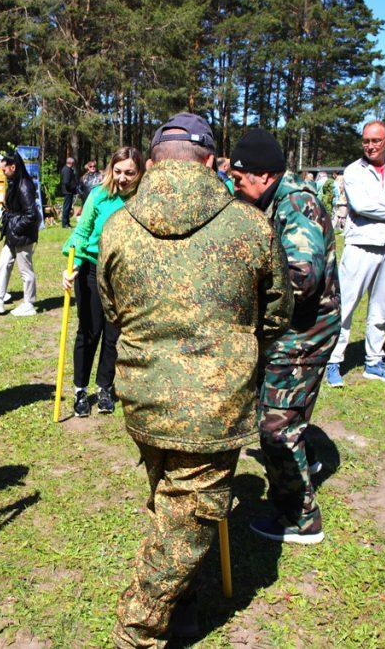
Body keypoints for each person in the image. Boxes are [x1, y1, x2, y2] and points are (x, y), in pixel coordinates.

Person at [98, 113, 291, 647]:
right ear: (211, 161)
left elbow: (111, 309)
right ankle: (136, 632)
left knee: (173, 503)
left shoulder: (118, 225)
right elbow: (275, 313)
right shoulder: (252, 225)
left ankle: (178, 605)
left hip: (143, 397)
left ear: (154, 161)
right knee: (184, 523)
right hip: (213, 403)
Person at [229, 128, 340, 545]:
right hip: (287, 328)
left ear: (263, 175)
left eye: (239, 180)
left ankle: (301, 518)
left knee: (275, 426)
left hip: (305, 330)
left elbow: (303, 276)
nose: (235, 187)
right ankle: (302, 463)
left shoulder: (295, 203)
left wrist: (245, 287)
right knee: (281, 414)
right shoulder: (274, 198)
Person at [325, 120, 385, 387]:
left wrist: (380, 204)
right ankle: (333, 361)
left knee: (380, 309)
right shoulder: (354, 170)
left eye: (376, 140)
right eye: (366, 141)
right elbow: (361, 205)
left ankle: (374, 362)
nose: (370, 146)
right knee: (345, 306)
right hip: (360, 246)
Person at [61, 146, 144, 418]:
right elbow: (81, 233)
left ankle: (105, 387)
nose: (122, 178)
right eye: (118, 171)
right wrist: (72, 264)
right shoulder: (98, 196)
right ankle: (80, 390)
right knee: (89, 331)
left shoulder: (143, 200)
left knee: (113, 334)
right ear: (110, 170)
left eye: (129, 173)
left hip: (124, 275)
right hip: (92, 270)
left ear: (139, 172)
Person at [0, 150, 39, 317]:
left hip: (23, 235)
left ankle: (29, 304)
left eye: (4, 169)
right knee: (3, 263)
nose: (3, 173)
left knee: (25, 270)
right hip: (13, 234)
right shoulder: (14, 182)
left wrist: (16, 228)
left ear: (13, 167)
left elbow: (31, 215)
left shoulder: (24, 185)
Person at [60, 156, 80, 227]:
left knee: (68, 208)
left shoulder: (68, 169)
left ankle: (67, 223)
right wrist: (73, 187)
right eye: (73, 162)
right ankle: (65, 224)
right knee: (66, 207)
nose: (74, 163)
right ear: (71, 162)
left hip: (69, 191)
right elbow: (66, 182)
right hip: (68, 191)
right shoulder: (66, 170)